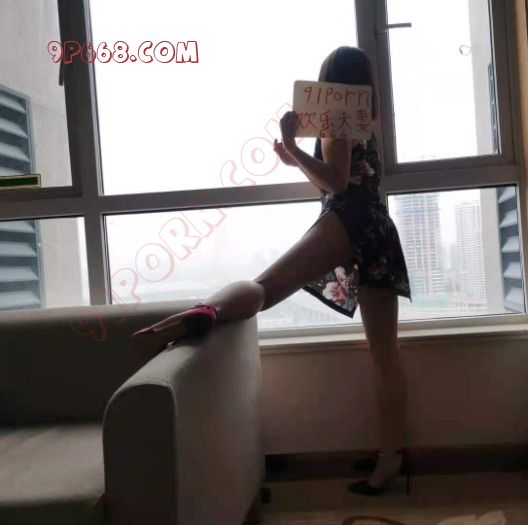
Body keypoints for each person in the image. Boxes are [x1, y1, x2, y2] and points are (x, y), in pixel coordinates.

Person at [133, 46, 413, 495]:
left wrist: (295, 147)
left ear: (328, 80)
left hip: (350, 220)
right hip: (379, 227)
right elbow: (341, 176)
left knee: (264, 288)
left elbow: (336, 183)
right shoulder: (364, 122)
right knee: (386, 355)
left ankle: (205, 312)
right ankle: (391, 458)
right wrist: (296, 156)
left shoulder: (335, 116)